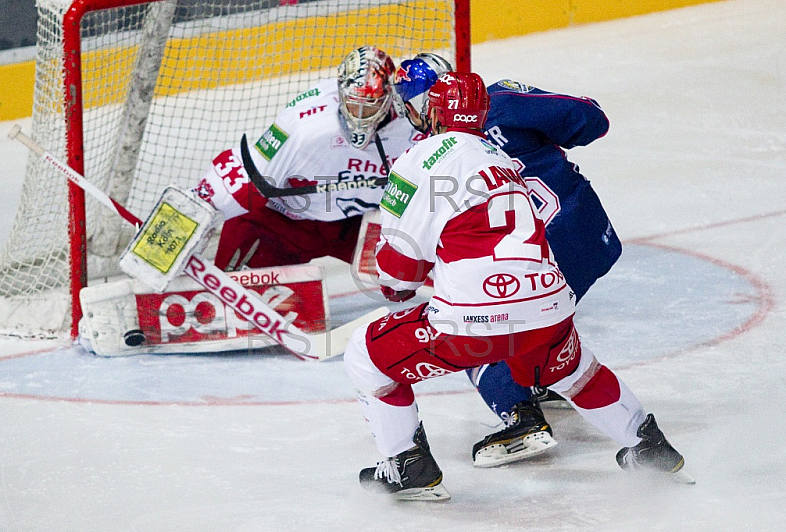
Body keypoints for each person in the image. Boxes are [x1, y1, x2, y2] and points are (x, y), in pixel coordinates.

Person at [344, 71, 689, 501]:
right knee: (577, 372)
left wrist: (400, 285)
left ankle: (406, 465)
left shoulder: (417, 158)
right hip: (550, 308)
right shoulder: (502, 157)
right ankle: (649, 446)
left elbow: (397, 277)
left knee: (366, 354)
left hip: (472, 325)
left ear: (433, 112)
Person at [392, 53, 622, 467]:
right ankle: (539, 377)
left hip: (530, 254)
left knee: (473, 328)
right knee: (530, 323)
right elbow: (592, 120)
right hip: (586, 234)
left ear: (425, 105)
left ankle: (523, 417)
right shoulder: (502, 101)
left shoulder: (427, 153)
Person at [193, 45, 423, 271]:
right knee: (232, 301)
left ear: (388, 98)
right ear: (341, 92)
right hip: (283, 223)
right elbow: (249, 174)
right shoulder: (307, 125)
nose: (361, 115)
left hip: (354, 224)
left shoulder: (411, 127)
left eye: (370, 106)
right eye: (354, 104)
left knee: (435, 266)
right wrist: (195, 211)